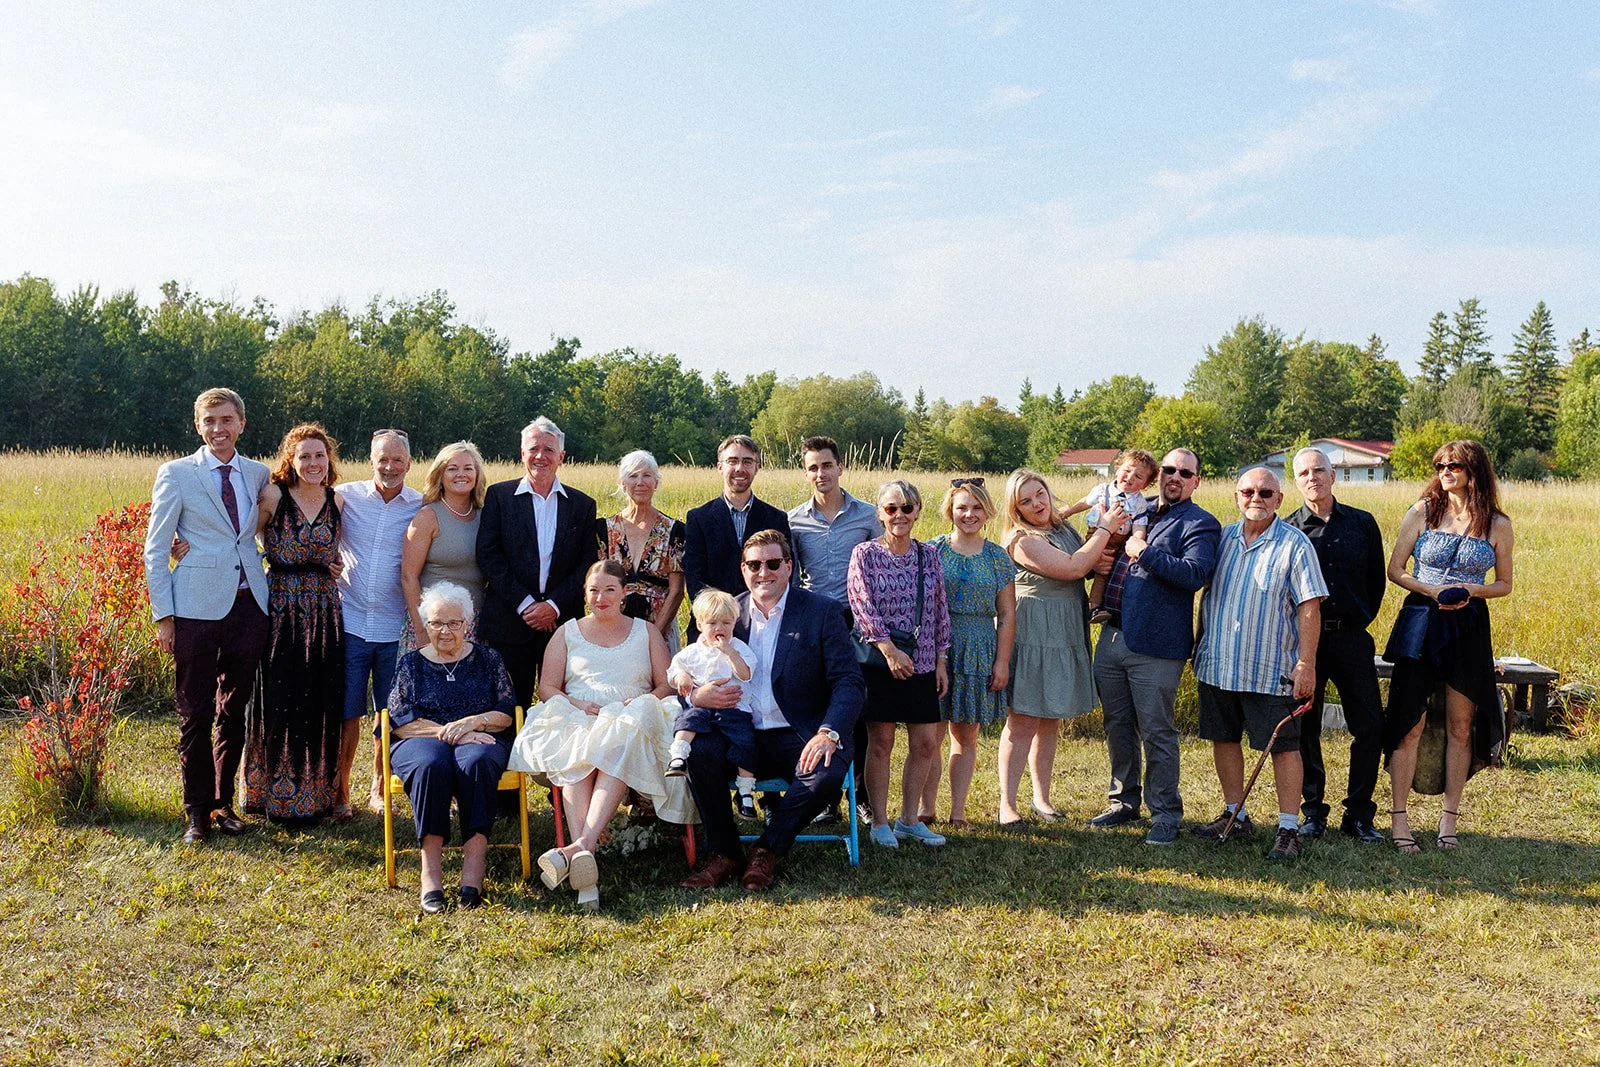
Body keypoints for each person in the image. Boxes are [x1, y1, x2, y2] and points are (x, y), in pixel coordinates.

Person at [680, 530, 865, 892]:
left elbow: (849, 682)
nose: (763, 572)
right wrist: (698, 694)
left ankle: (767, 849)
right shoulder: (724, 615)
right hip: (738, 731)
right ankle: (725, 853)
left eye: (773, 563)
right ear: (743, 569)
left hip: (798, 733)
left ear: (789, 567)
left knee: (825, 771)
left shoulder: (822, 612)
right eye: (754, 565)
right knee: (698, 752)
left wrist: (827, 732)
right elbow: (689, 670)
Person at [507, 560, 688, 910]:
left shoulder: (646, 631)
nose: (600, 597)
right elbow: (546, 687)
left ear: (624, 593)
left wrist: (644, 699)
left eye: (609, 590)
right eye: (593, 590)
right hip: (580, 713)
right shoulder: (567, 632)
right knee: (580, 749)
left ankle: (577, 850)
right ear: (584, 593)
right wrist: (575, 702)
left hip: (631, 714)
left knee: (621, 733)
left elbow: (666, 683)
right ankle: (583, 854)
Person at [144, 387, 271, 844]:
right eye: (210, 421)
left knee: (233, 710)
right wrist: (164, 616)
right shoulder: (177, 474)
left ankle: (223, 803)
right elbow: (156, 549)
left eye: (227, 420)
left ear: (242, 424)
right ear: (198, 426)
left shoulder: (257, 475)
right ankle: (195, 810)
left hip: (249, 606)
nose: (219, 429)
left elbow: (268, 525)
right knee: (195, 712)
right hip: (194, 608)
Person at [1382, 439, 1514, 854]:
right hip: (1422, 620)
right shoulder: (1422, 512)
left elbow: (1505, 583)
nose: (1445, 471)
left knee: (1461, 725)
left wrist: (1472, 590)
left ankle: (1448, 822)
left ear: (1474, 470)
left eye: (1454, 465)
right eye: (1439, 465)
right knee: (1409, 722)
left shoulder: (1497, 523)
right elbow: (1395, 568)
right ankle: (1399, 820)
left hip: (1468, 626)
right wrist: (1431, 590)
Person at [1192, 467, 1327, 861]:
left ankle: (1288, 828)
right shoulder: (1219, 540)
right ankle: (1235, 815)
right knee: (1223, 738)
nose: (1256, 498)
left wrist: (1306, 663)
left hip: (1271, 668)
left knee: (1284, 748)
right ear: (1236, 496)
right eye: (1248, 491)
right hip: (1218, 663)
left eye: (1266, 493)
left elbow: (1309, 607)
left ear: (1279, 500)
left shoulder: (1295, 544)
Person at [1087, 449, 1220, 846]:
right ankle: (1123, 801)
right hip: (1112, 634)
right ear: (1156, 475)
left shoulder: (1200, 523)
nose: (1174, 476)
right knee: (1117, 724)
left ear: (1196, 481)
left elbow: (1194, 575)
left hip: (1158, 646)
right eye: (1168, 470)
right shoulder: (1134, 507)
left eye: (1185, 472)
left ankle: (1164, 813)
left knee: (1157, 730)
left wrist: (1144, 551)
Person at [386, 582, 516, 913]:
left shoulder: (488, 659)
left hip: (481, 737)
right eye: (437, 623)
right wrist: (452, 732)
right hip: (420, 740)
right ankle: (431, 875)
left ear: (467, 624)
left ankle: (473, 871)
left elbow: (506, 712)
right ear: (425, 624)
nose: (446, 631)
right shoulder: (411, 664)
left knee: (478, 761)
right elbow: (400, 720)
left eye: (454, 623)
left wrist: (472, 723)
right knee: (431, 765)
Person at [999, 469, 1119, 827]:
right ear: (1015, 508)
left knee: (1050, 716)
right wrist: (1105, 530)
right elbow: (1072, 566)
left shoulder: (1060, 528)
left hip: (1065, 625)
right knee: (1022, 719)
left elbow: (1084, 562)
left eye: (1040, 494)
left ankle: (1042, 798)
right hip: (1034, 630)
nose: (1036, 504)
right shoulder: (1021, 539)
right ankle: (1007, 805)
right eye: (1026, 501)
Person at [242, 422, 345, 825]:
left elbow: (344, 554)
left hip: (324, 610)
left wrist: (335, 567)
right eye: (304, 456)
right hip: (281, 606)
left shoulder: (337, 501)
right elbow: (238, 538)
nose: (313, 462)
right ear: (291, 459)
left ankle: (316, 798)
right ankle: (271, 797)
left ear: (328, 459)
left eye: (320, 455)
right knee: (278, 698)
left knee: (319, 699)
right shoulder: (273, 496)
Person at [1285, 446, 1388, 844]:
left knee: (1370, 726)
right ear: (1296, 482)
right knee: (1304, 726)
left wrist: (1358, 619)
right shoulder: (1290, 529)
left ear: (1333, 475)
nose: (1313, 477)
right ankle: (1312, 812)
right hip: (1303, 644)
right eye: (1304, 473)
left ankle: (1359, 814)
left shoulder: (1362, 524)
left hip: (1351, 638)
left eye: (1319, 470)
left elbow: (1375, 583)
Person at [847, 480, 952, 848]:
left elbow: (939, 610)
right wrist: (891, 652)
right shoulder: (864, 554)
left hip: (922, 662)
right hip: (879, 662)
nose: (899, 515)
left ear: (918, 511)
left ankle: (909, 819)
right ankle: (878, 821)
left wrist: (940, 660)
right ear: (879, 513)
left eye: (907, 508)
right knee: (882, 741)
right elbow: (862, 607)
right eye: (891, 508)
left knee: (925, 743)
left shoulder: (930, 555)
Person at [787, 434, 881, 825]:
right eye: (813, 467)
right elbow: (790, 576)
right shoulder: (793, 520)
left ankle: (861, 794)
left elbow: (881, 568)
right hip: (814, 620)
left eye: (827, 465)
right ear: (805, 473)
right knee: (820, 707)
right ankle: (826, 798)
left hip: (857, 620)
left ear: (840, 467)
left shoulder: (868, 515)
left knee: (856, 708)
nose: (821, 473)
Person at [476, 417, 599, 708]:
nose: (540, 456)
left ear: (561, 457)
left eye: (549, 449)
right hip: (509, 619)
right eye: (533, 449)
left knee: (561, 706)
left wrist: (552, 605)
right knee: (507, 708)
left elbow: (587, 563)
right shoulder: (499, 496)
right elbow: (488, 555)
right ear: (522, 453)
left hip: (561, 622)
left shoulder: (582, 504)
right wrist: (526, 604)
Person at [918, 477, 1016, 829]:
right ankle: (925, 808)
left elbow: (1006, 614)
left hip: (978, 648)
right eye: (962, 507)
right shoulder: (932, 551)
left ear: (986, 511)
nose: (969, 514)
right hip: (935, 648)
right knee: (929, 734)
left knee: (965, 734)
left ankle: (958, 811)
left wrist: (1001, 660)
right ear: (950, 510)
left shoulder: (997, 557)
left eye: (976, 508)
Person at [335, 428, 423, 815]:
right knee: (346, 712)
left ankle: (379, 786)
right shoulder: (345, 497)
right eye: (382, 460)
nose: (389, 467)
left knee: (388, 715)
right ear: (371, 461)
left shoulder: (420, 505)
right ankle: (338, 791)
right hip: (350, 620)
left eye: (397, 460)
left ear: (409, 463)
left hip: (395, 628)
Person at [683, 434, 789, 641]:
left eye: (747, 461)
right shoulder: (698, 519)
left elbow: (785, 575)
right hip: (713, 624)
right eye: (732, 461)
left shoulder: (776, 518)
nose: (739, 468)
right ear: (719, 467)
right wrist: (722, 615)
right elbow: (695, 579)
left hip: (766, 624)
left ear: (757, 467)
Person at [666, 589, 758, 819]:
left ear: (735, 623)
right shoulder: (692, 652)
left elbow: (746, 674)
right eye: (712, 623)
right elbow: (675, 669)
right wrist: (683, 678)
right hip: (703, 708)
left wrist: (730, 653)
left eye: (726, 623)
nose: (720, 629)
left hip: (734, 711)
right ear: (699, 625)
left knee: (745, 742)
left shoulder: (739, 648)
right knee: (687, 720)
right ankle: (678, 756)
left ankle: (746, 793)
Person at [400, 441, 489, 655]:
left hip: (474, 624)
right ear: (440, 475)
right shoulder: (427, 517)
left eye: (468, 468)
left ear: (477, 475)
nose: (461, 474)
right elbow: (408, 576)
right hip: (434, 624)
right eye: (452, 468)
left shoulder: (486, 516)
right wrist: (421, 630)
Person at [596, 449, 686, 652]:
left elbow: (677, 590)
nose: (640, 482)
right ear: (622, 483)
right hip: (612, 631)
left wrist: (653, 635)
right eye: (633, 475)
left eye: (647, 475)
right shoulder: (603, 529)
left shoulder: (674, 530)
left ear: (656, 483)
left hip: (659, 631)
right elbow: (597, 585)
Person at [1060, 449, 1158, 625]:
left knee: (1105, 572)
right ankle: (1086, 604)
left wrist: (1137, 542)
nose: (1130, 477)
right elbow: (1085, 502)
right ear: (1118, 467)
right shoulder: (1103, 490)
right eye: (1127, 471)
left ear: (1145, 484)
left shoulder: (1139, 503)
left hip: (1117, 541)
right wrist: (1068, 511)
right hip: (1095, 535)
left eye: (1138, 477)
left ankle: (1097, 607)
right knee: (1086, 562)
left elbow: (1139, 525)